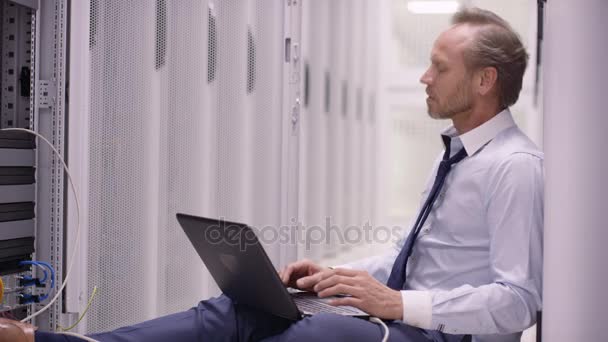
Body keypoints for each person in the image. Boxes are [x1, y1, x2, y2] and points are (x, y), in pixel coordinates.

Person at [4, 7, 542, 342]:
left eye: (440, 67)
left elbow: (520, 300)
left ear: (484, 81)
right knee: (239, 308)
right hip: (400, 315)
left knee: (300, 332)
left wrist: (398, 303)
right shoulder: (455, 152)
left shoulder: (514, 168)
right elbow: (417, 254)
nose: (425, 78)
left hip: (437, 334)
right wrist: (333, 275)